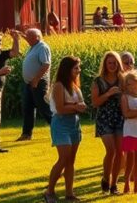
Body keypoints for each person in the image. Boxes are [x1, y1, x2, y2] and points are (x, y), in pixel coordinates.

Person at [44, 56, 86, 203]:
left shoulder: (75, 86)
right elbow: (61, 108)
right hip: (61, 123)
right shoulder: (59, 86)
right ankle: (49, 191)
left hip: (74, 122)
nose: (79, 70)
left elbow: (80, 104)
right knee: (63, 158)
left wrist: (78, 106)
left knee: (70, 161)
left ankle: (69, 193)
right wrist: (75, 106)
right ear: (67, 69)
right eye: (76, 68)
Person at [91, 51, 125, 195]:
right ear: (105, 64)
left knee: (120, 152)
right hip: (105, 117)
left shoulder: (122, 79)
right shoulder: (98, 81)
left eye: (115, 63)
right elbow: (95, 102)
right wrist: (109, 93)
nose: (112, 65)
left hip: (120, 116)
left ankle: (114, 184)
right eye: (109, 63)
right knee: (110, 150)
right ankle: (106, 177)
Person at [17, 28, 52, 141]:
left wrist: (36, 79)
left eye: (28, 36)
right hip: (29, 83)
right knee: (28, 108)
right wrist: (17, 37)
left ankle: (58, 129)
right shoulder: (32, 48)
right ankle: (26, 134)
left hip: (39, 82)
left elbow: (46, 64)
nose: (26, 38)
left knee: (44, 108)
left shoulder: (42, 47)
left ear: (37, 37)